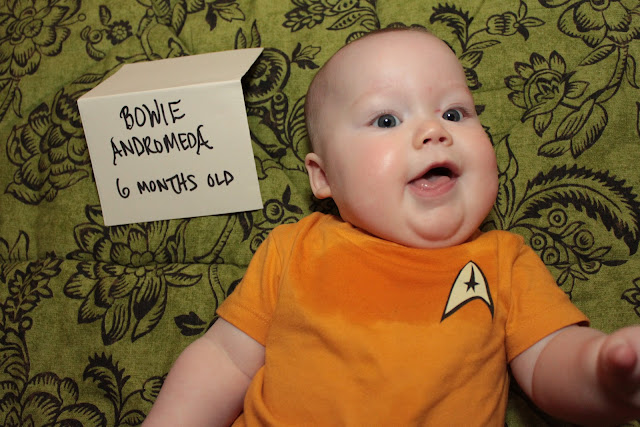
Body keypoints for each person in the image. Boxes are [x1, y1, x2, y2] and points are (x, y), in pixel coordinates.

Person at [144, 28, 640, 426]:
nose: (434, 131)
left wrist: (601, 373)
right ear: (323, 177)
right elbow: (225, 359)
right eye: (386, 120)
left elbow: (548, 358)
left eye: (454, 112)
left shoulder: (502, 261)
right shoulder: (295, 247)